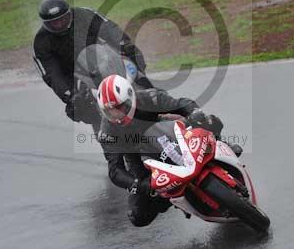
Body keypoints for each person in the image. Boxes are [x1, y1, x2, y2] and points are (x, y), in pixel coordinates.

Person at [97, 74, 228, 227]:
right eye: (110, 111)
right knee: (138, 216)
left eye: (119, 107)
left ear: (130, 99)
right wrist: (137, 184)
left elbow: (180, 104)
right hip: (139, 159)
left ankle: (223, 149)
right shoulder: (107, 132)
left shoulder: (148, 98)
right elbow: (115, 170)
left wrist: (194, 112)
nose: (116, 115)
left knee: (208, 120)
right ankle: (170, 197)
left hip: (167, 133)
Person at [33, 0, 149, 132]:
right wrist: (69, 95)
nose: (59, 24)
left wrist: (126, 47)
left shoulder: (85, 14)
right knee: (82, 107)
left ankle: (164, 109)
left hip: (103, 62)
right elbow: (52, 74)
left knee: (140, 79)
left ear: (69, 14)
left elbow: (110, 29)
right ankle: (108, 138)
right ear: (46, 24)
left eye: (62, 19)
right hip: (76, 79)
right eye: (54, 22)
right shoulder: (41, 42)